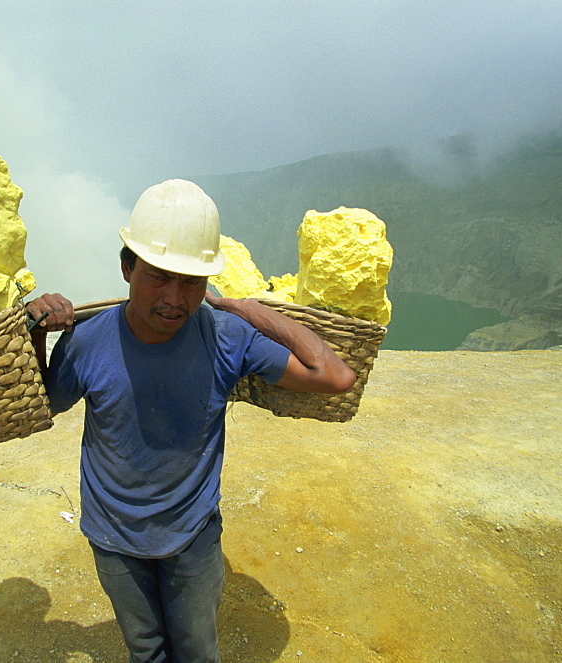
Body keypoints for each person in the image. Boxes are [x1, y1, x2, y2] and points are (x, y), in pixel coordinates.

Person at [25, 179, 355, 663]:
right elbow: (43, 404)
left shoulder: (226, 337)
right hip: (114, 537)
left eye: (192, 281)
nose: (174, 298)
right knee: (146, 651)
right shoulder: (86, 341)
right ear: (126, 268)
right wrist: (35, 333)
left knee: (197, 650)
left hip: (192, 535)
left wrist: (252, 311)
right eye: (159, 276)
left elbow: (334, 376)